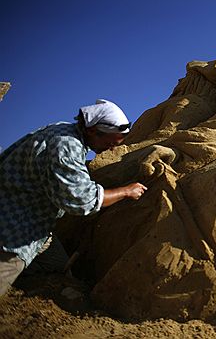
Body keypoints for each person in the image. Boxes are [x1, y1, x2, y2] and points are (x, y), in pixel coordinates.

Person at [0, 99, 147, 296]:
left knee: (56, 263)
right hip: (15, 228)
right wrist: (126, 191)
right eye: (111, 142)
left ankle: (22, 283)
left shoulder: (62, 129)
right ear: (93, 130)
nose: (112, 149)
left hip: (38, 227)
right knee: (10, 265)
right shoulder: (66, 146)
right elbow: (82, 199)